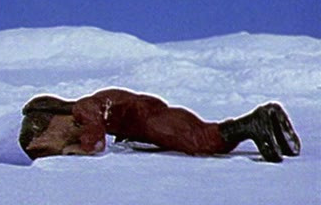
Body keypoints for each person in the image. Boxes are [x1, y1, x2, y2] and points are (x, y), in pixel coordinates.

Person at [19, 88, 301, 163]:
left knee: (201, 141)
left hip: (152, 120)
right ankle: (267, 123)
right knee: (204, 138)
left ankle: (256, 123)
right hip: (150, 120)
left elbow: (95, 143)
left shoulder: (84, 109)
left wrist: (74, 150)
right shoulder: (87, 110)